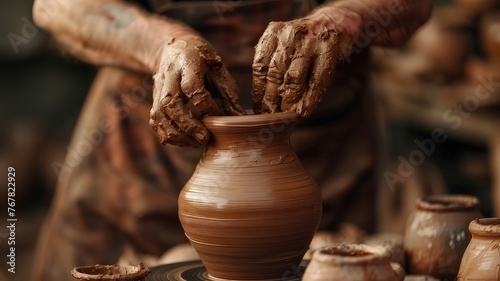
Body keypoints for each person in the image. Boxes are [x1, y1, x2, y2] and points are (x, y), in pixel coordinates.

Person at [31, 0, 432, 280]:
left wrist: (346, 18)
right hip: (143, 146)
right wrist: (160, 44)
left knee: (336, 265)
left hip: (315, 148)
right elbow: (56, 5)